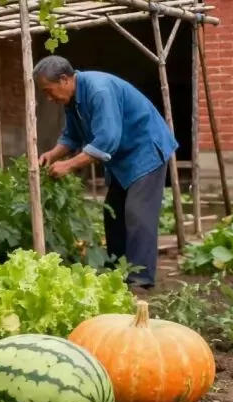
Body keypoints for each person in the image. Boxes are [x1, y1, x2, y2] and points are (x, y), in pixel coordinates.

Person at [33, 56, 177, 289]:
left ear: (64, 79)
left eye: (49, 91)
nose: (49, 98)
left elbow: (106, 141)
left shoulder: (98, 91)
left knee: (137, 214)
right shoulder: (72, 100)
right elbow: (72, 137)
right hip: (122, 158)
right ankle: (117, 273)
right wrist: (53, 155)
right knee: (113, 215)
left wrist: (68, 166)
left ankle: (140, 281)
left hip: (145, 150)